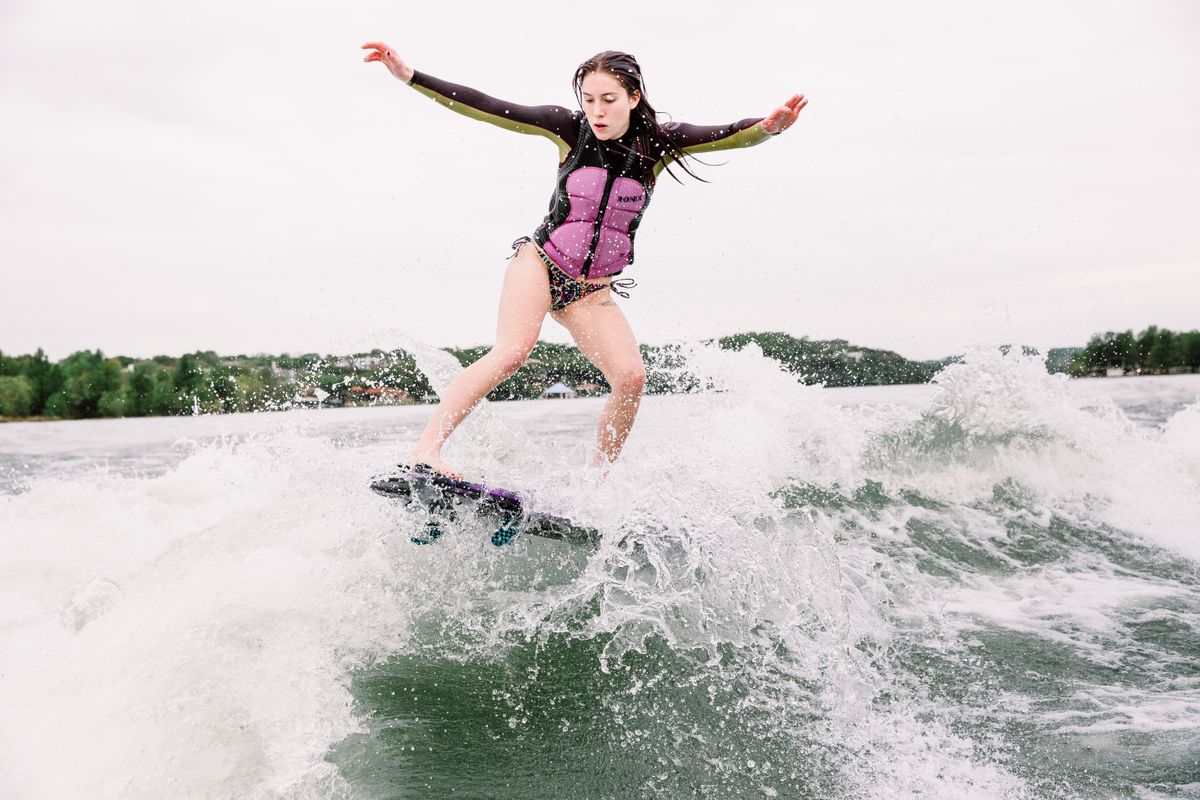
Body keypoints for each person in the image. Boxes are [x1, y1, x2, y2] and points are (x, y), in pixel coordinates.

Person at [362, 44, 806, 478]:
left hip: (592, 291)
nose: (597, 111)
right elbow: (488, 106)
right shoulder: (568, 130)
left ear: (633, 98)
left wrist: (769, 127)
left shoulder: (661, 144)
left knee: (631, 378)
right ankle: (425, 453)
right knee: (513, 351)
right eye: (589, 100)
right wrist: (412, 78)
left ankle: (600, 483)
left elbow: (729, 133)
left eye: (609, 100)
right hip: (539, 263)